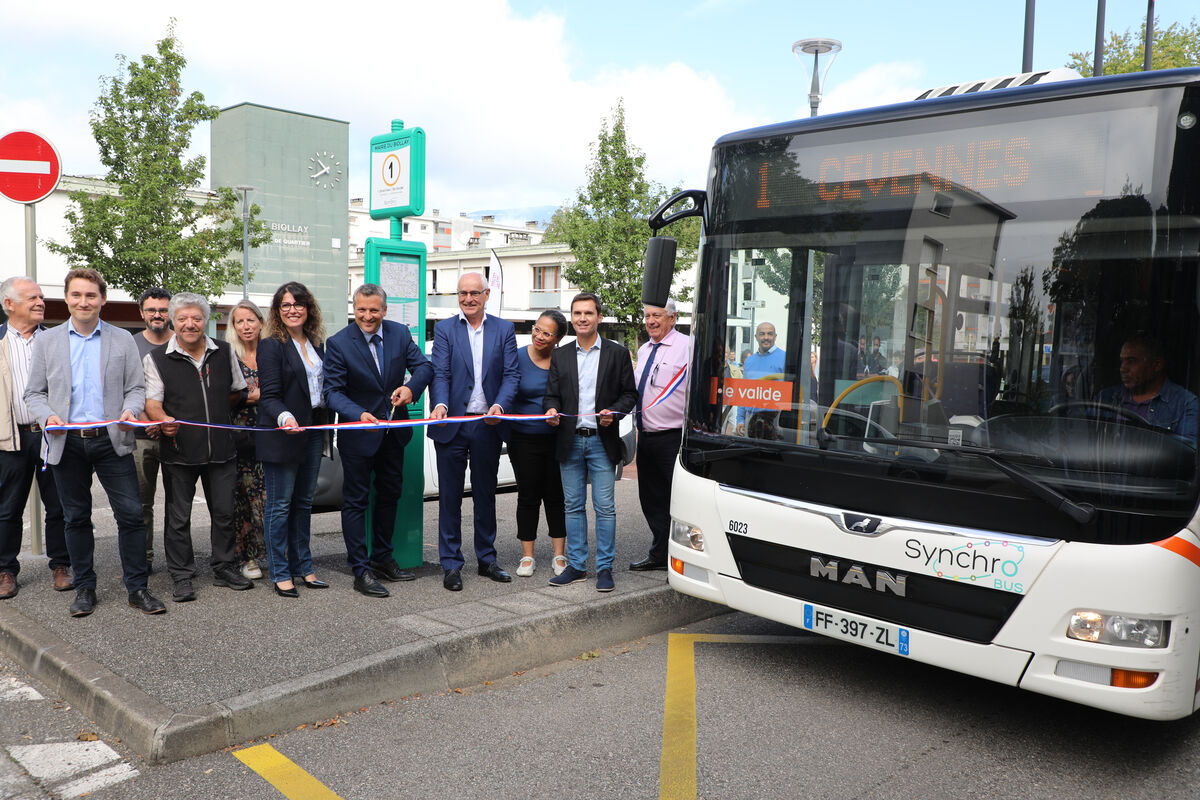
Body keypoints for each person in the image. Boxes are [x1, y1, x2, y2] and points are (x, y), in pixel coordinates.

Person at [24, 268, 164, 617]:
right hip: (66, 442)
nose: (83, 301)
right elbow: (34, 393)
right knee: (76, 518)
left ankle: (137, 588)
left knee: (131, 515)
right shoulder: (47, 341)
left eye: (90, 295)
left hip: (112, 441)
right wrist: (47, 416)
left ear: (102, 299)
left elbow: (135, 389)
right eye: (76, 295)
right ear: (67, 298)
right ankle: (85, 586)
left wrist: (132, 409)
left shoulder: (122, 339)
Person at [323, 284, 433, 598]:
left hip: (393, 432)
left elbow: (424, 367)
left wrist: (411, 389)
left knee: (389, 495)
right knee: (356, 501)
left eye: (374, 310)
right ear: (353, 309)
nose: (368, 316)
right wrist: (358, 413)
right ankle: (360, 569)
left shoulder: (399, 333)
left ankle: (383, 558)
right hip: (359, 435)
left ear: (384, 310)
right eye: (361, 310)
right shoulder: (339, 343)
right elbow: (332, 392)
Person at [143, 293, 254, 602]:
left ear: (206, 320)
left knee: (223, 512)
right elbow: (152, 403)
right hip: (179, 450)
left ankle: (224, 567)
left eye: (196, 318)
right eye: (183, 319)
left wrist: (215, 411)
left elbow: (236, 393)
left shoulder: (225, 352)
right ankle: (181, 575)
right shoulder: (156, 358)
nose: (190, 324)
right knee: (178, 518)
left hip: (221, 450)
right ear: (173, 321)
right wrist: (163, 419)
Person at [428, 272, 519, 591]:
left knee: (485, 495)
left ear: (487, 294)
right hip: (451, 423)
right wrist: (439, 404)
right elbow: (440, 373)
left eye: (474, 293)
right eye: (462, 293)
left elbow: (511, 375)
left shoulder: (504, 329)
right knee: (449, 498)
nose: (468, 298)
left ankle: (487, 559)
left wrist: (501, 406)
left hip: (487, 424)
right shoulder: (445, 329)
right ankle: (451, 564)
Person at [544, 292, 638, 592]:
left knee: (605, 508)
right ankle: (577, 566)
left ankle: (605, 568)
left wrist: (616, 412)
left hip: (602, 441)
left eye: (588, 313)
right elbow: (552, 395)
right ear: (571, 318)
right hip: (569, 441)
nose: (582, 318)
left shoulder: (617, 353)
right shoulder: (560, 355)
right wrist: (550, 409)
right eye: (577, 313)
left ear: (599, 316)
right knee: (572, 506)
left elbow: (629, 394)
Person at [256, 282, 330, 598]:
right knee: (280, 505)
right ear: (277, 311)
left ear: (308, 308)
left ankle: (304, 567)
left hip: (313, 431)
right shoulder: (272, 345)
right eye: (285, 305)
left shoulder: (316, 343)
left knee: (303, 503)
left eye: (297, 304)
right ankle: (280, 572)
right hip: (284, 434)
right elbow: (269, 397)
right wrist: (285, 417)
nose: (292, 310)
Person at [0, 276, 72, 599]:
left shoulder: (58, 340)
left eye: (41, 297)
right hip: (9, 438)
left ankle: (61, 565)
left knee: (58, 505)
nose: (40, 302)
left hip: (50, 435)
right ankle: (5, 571)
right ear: (9, 304)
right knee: (7, 509)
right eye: (32, 298)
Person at [507, 309, 568, 577]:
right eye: (536, 329)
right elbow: (505, 390)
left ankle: (559, 555)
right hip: (523, 439)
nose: (539, 336)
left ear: (558, 339)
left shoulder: (564, 360)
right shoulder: (517, 357)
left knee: (556, 497)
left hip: (557, 438)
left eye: (547, 333)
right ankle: (528, 557)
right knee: (528, 495)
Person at [630, 299, 689, 573]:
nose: (651, 321)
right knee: (651, 498)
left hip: (673, 437)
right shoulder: (644, 350)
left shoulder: (687, 347)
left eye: (658, 316)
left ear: (673, 318)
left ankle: (683, 559)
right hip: (647, 437)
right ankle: (659, 552)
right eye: (648, 316)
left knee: (678, 500)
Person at [225, 299, 267, 580]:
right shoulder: (228, 356)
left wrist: (248, 396)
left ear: (261, 322)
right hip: (239, 437)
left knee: (267, 499)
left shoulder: (272, 352)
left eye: (250, 320)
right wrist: (257, 395)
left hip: (270, 435)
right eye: (239, 321)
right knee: (241, 499)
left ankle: (270, 552)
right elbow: (225, 397)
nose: (246, 326)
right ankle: (247, 557)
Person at [132, 287, 172, 570]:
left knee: (178, 504)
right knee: (142, 504)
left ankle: (177, 561)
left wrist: (165, 422)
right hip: (141, 436)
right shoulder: (130, 344)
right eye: (151, 310)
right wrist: (149, 420)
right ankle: (143, 560)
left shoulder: (182, 341)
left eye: (163, 310)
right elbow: (127, 388)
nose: (157, 315)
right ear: (142, 313)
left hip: (176, 435)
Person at [1096, 333, 1198, 444]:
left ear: (1157, 365)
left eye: (1132, 361)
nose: (1123, 368)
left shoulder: (1185, 404)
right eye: (1122, 361)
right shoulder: (1106, 397)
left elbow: (1186, 452)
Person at [735, 321, 786, 437]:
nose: (766, 337)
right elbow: (744, 392)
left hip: (775, 422)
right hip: (751, 421)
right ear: (756, 337)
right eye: (762, 334)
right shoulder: (749, 361)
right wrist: (740, 419)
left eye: (770, 334)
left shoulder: (785, 358)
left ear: (775, 336)